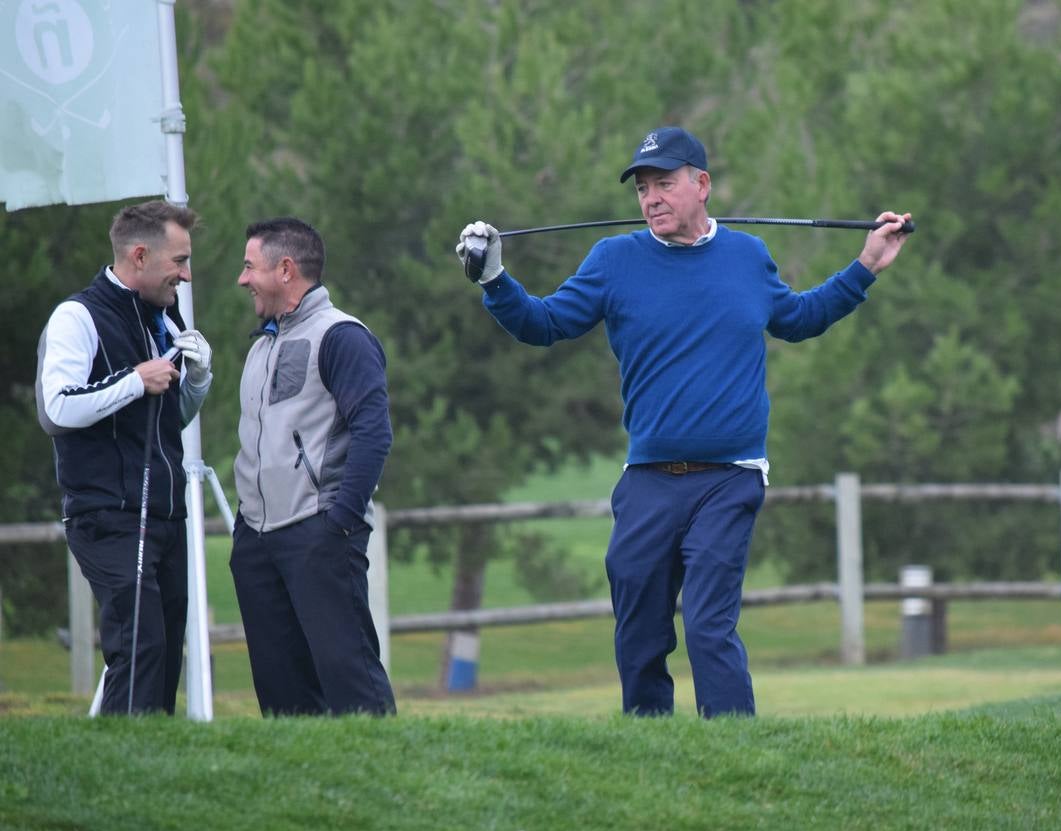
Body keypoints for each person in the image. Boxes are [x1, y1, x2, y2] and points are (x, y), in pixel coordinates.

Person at [457, 126, 912, 717]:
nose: (651, 199)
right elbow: (544, 324)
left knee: (706, 623)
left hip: (730, 478)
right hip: (648, 479)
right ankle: (652, 751)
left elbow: (799, 318)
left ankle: (733, 753)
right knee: (640, 629)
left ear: (702, 185)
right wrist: (494, 279)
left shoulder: (747, 256)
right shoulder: (614, 260)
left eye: (664, 184)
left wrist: (867, 265)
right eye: (643, 188)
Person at [36, 199, 214, 715]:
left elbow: (166, 419)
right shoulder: (78, 316)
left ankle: (151, 776)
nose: (186, 274)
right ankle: (117, 768)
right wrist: (136, 379)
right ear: (140, 255)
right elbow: (56, 409)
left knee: (164, 655)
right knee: (140, 648)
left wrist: (196, 381)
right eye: (178, 261)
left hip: (163, 514)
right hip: (107, 516)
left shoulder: (163, 314)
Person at [230, 217, 396, 716]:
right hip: (257, 540)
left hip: (318, 535)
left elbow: (374, 432)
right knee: (281, 695)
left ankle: (388, 778)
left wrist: (338, 522)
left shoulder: (341, 336)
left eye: (249, 266)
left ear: (285, 269)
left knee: (352, 684)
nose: (242, 279)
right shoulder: (262, 344)